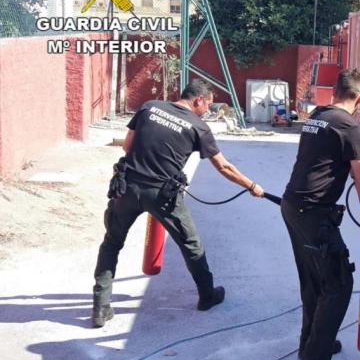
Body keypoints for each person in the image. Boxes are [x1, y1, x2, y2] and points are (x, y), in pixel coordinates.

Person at [92, 79, 264, 327]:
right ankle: (207, 296)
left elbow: (128, 146)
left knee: (111, 244)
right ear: (198, 100)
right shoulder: (198, 126)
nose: (207, 110)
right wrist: (251, 186)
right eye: (208, 105)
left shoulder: (149, 107)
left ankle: (100, 307)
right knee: (191, 245)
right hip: (163, 196)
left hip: (127, 188)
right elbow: (224, 166)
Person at [281, 68, 360, 360]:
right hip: (314, 213)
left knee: (313, 279)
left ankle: (309, 343)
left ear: (335, 91)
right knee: (338, 285)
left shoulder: (317, 115)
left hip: (293, 205)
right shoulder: (349, 125)